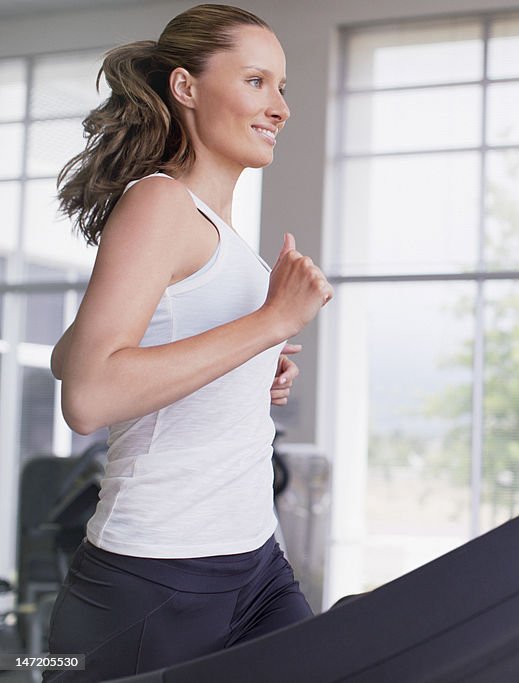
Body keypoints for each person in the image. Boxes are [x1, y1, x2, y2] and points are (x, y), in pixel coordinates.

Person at [42, 5, 332, 681]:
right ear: (186, 88)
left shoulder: (221, 233)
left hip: (254, 560)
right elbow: (86, 395)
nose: (280, 107)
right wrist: (269, 324)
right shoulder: (160, 203)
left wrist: (245, 368)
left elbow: (71, 352)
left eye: (282, 87)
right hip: (151, 581)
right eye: (257, 81)